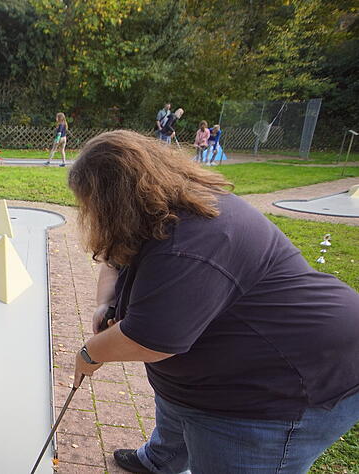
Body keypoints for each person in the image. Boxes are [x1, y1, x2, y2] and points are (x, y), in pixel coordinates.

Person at [67, 130, 359, 474]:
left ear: (114, 200)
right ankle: (160, 460)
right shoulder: (158, 209)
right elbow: (114, 259)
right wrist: (105, 303)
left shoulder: (189, 243)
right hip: (211, 373)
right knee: (178, 404)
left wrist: (90, 353)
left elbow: (150, 342)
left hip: (282, 386)